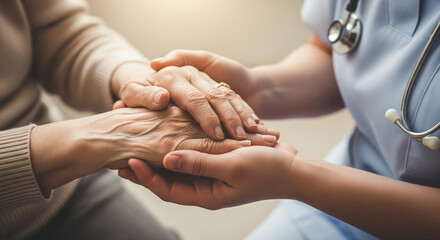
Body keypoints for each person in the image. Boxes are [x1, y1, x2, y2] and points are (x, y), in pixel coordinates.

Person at [120, 0, 440, 239]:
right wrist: (257, 88)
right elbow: (339, 50)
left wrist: (294, 177)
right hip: (334, 196)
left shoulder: (301, 178)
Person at [0, 0, 279, 239]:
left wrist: (141, 83)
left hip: (66, 189)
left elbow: (59, 34)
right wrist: (100, 137)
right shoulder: (100, 141)